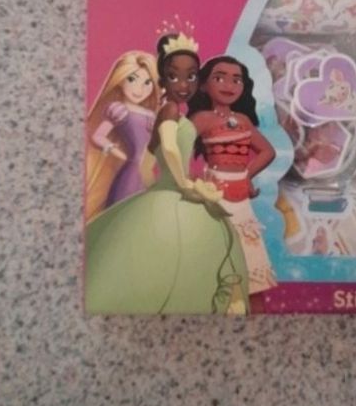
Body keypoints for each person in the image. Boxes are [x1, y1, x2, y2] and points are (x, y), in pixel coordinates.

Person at [85, 34, 249, 315]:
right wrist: (182, 183)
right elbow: (170, 148)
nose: (183, 85)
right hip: (176, 191)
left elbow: (147, 162)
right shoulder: (169, 110)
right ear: (163, 80)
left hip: (167, 191)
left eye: (191, 77)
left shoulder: (172, 113)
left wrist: (154, 187)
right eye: (174, 77)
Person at [189, 56, 277, 295]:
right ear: (204, 85)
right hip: (214, 196)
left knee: (250, 256)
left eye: (236, 80)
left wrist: (246, 176)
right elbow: (178, 149)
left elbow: (267, 151)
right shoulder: (202, 119)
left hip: (241, 198)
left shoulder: (243, 120)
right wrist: (193, 180)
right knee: (218, 250)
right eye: (220, 78)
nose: (229, 85)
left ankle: (247, 298)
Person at [85, 52, 159, 221]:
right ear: (120, 80)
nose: (139, 89)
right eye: (132, 79)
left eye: (147, 82)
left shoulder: (151, 115)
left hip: (149, 171)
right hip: (131, 172)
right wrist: (117, 152)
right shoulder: (120, 110)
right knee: (123, 216)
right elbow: (98, 136)